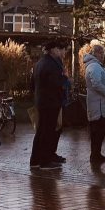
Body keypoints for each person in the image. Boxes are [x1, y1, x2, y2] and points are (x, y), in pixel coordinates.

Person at [31, 41, 68, 170]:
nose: (60, 51)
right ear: (52, 50)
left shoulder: (40, 63)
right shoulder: (51, 64)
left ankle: (35, 160)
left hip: (42, 101)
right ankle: (45, 161)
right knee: (47, 131)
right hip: (50, 102)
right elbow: (55, 83)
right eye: (58, 48)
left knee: (41, 131)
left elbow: (32, 83)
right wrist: (65, 78)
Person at [83, 44, 105, 163]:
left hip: (100, 104)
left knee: (99, 132)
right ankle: (95, 155)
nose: (102, 55)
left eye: (103, 53)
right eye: (101, 53)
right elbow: (96, 83)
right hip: (99, 106)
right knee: (97, 131)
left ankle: (96, 154)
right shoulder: (94, 66)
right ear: (95, 53)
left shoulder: (96, 65)